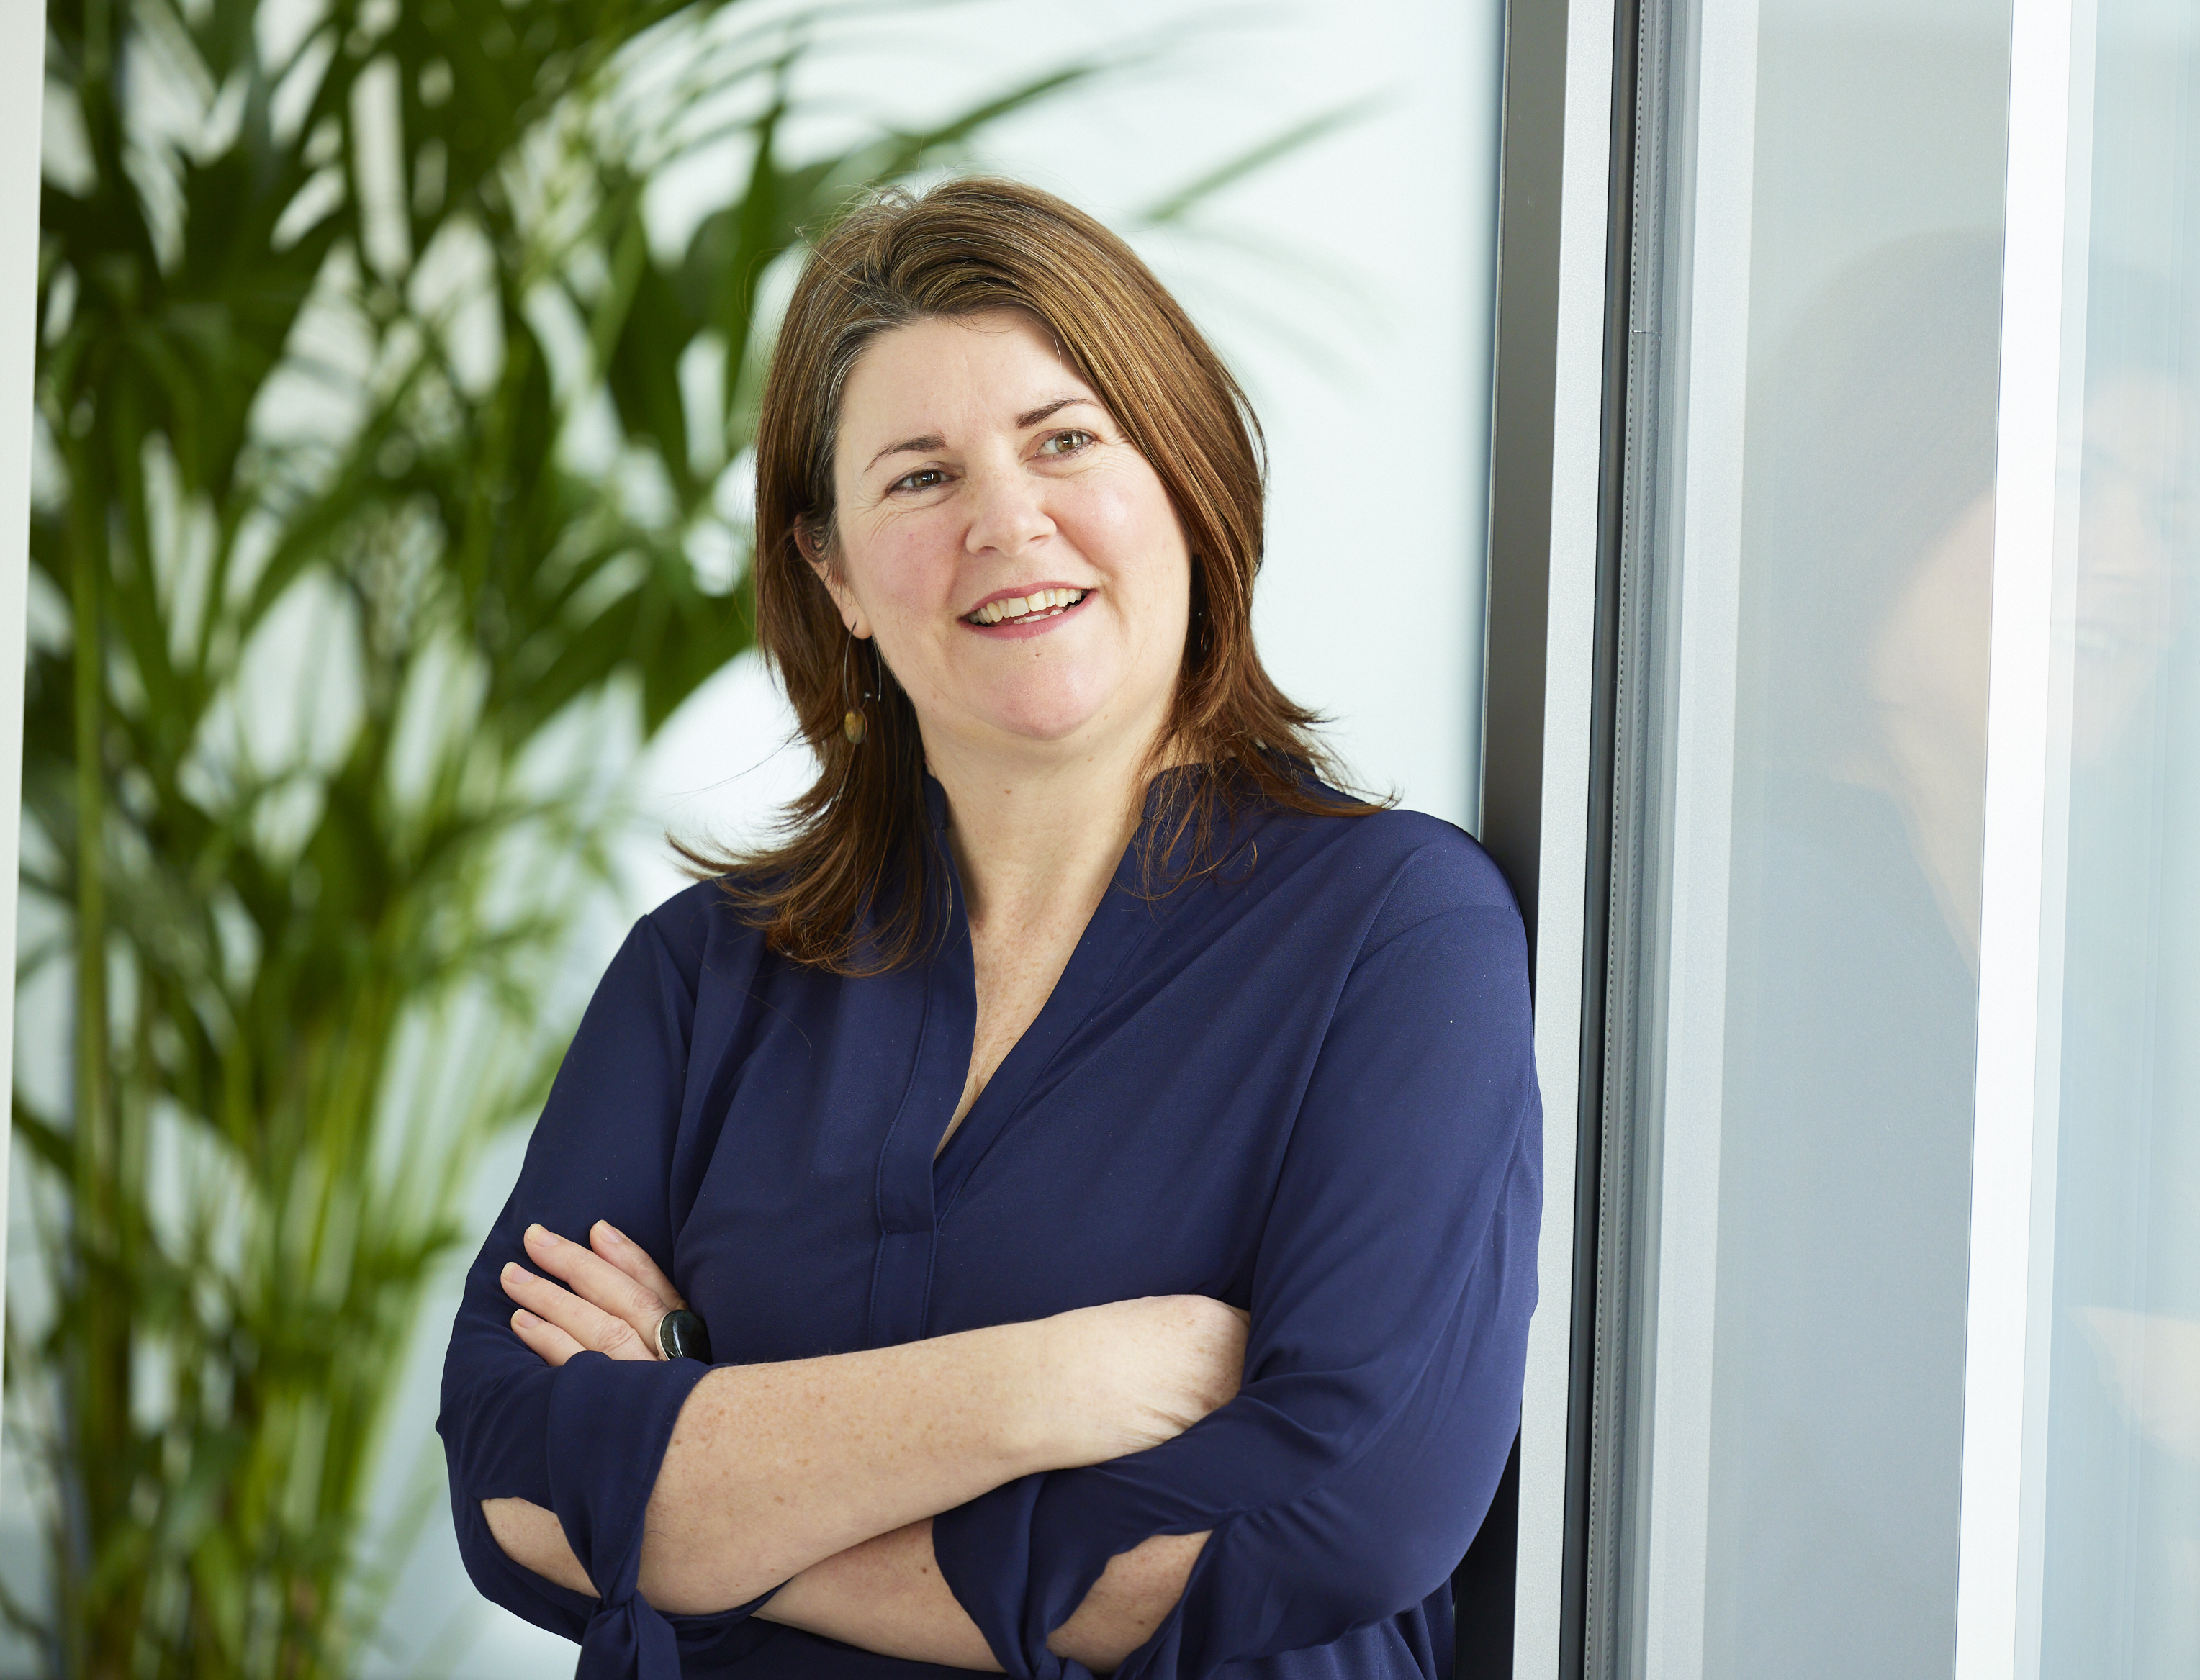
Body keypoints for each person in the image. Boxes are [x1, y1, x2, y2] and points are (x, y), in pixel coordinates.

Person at [433, 177, 1541, 1680]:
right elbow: (509, 1486)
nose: (1007, 523)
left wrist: (700, 1508)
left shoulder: (1397, 933)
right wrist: (1048, 1386)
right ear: (834, 573)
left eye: (1064, 440)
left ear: (1186, 479)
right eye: (919, 478)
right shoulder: (701, 975)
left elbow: (1334, 1520)